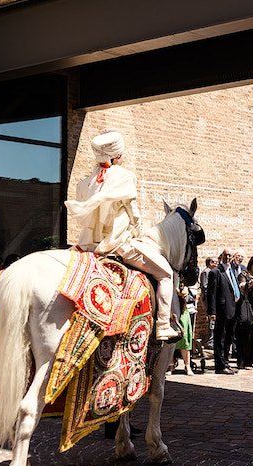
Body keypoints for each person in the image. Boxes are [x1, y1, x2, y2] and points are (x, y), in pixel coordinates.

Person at [64, 131, 181, 342]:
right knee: (166, 274)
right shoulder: (123, 176)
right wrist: (137, 228)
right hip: (117, 245)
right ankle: (163, 325)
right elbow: (133, 212)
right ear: (116, 155)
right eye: (121, 154)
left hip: (89, 245)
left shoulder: (86, 182)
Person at [206, 249, 239, 375]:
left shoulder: (232, 271)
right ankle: (220, 365)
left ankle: (226, 362)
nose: (228, 257)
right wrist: (212, 312)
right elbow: (211, 293)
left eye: (230, 255)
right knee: (220, 338)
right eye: (226, 255)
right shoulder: (215, 272)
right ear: (222, 256)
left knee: (229, 338)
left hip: (232, 309)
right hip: (221, 310)